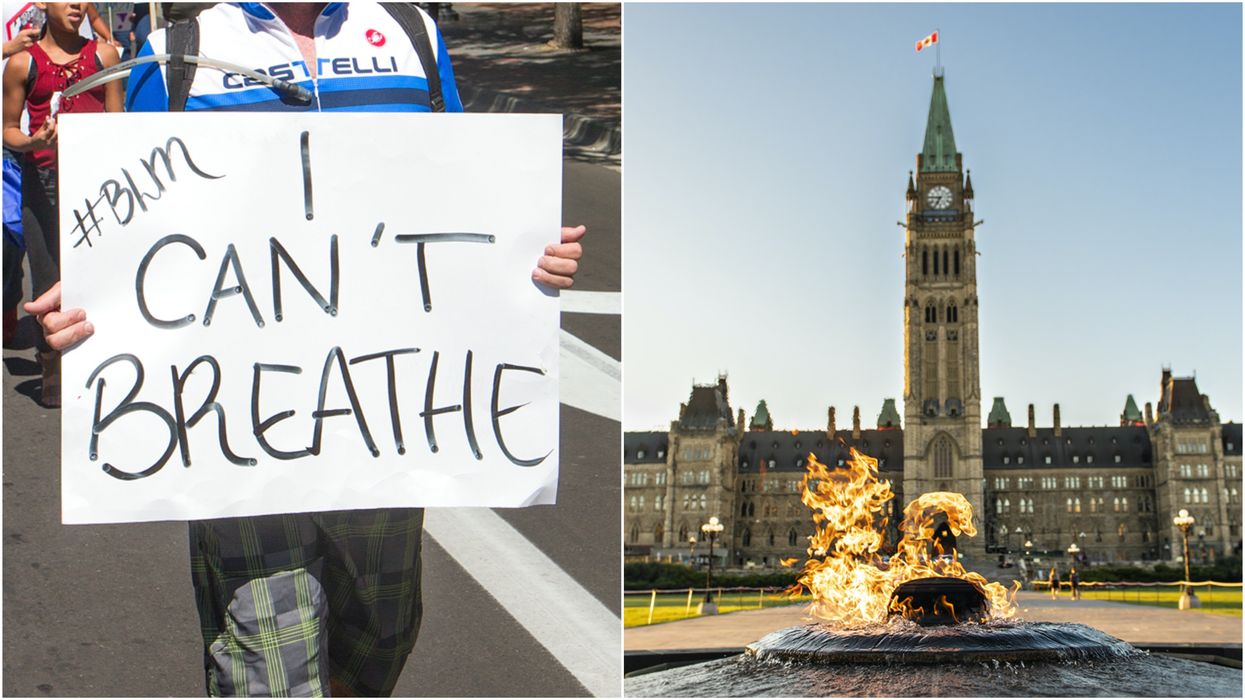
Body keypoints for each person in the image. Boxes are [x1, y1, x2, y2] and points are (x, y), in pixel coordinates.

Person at [26, 3, 585, 696]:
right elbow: (131, 228)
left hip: (386, 412)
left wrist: (530, 256)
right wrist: (87, 300)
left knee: (381, 630)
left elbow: (465, 200)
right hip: (234, 426)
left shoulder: (411, 34)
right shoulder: (178, 54)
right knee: (270, 659)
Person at [2, 1, 122, 406]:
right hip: (43, 184)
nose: (76, 4)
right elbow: (7, 130)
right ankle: (51, 362)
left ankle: (107, 356)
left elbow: (117, 121)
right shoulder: (22, 63)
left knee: (102, 271)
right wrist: (33, 141)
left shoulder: (104, 55)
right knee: (47, 275)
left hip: (96, 183)